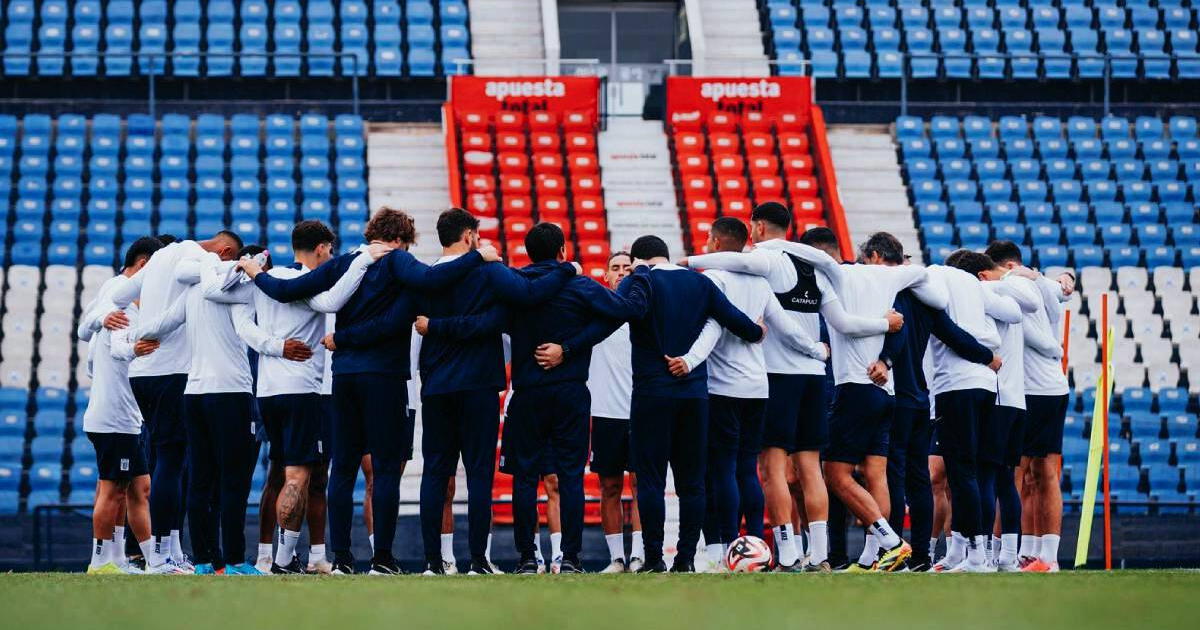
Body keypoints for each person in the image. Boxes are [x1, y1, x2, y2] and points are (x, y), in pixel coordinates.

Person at [244, 208, 499, 575]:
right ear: (400, 239)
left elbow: (287, 290)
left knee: (344, 469)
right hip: (383, 377)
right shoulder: (398, 262)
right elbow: (426, 285)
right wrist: (477, 257)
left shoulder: (345, 262)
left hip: (343, 377)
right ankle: (381, 558)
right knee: (383, 470)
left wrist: (255, 274)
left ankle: (343, 558)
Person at [681, 214, 905, 572]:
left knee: (771, 469)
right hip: (815, 378)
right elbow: (842, 323)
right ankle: (819, 556)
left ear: (757, 227)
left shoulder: (769, 259)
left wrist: (690, 261)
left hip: (779, 376)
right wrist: (872, 329)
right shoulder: (819, 272)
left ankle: (786, 553)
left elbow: (734, 259)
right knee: (809, 468)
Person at [424, 222, 646, 574]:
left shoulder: (513, 286)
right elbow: (623, 313)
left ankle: (527, 557)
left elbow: (490, 322)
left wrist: (436, 326)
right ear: (562, 252)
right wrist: (571, 347)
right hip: (571, 391)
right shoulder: (580, 285)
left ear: (528, 253)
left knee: (524, 478)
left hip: (526, 394)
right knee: (571, 475)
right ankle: (571, 558)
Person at [371, 209, 574, 575]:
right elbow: (516, 304)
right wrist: (567, 268)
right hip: (479, 384)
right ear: (469, 236)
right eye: (477, 235)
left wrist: (438, 327)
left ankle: (434, 561)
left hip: (435, 386)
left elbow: (415, 323)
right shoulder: (489, 270)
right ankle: (478, 560)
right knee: (479, 475)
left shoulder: (423, 276)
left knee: (436, 472)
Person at [567, 234, 764, 572]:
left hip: (651, 395)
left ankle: (654, 557)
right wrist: (755, 331)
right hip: (693, 396)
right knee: (691, 482)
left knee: (652, 480)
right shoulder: (698, 283)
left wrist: (568, 349)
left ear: (640, 261)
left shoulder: (640, 281)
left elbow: (607, 322)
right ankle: (685, 558)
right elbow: (735, 320)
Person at [677, 218, 832, 572]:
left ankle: (733, 546)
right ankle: (759, 546)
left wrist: (689, 360)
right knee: (749, 469)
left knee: (723, 470)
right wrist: (816, 350)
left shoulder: (713, 279)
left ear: (716, 243)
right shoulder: (761, 284)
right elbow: (787, 327)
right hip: (757, 387)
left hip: (722, 386)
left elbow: (712, 329)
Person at [226, 221, 380, 573]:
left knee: (282, 472)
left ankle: (283, 556)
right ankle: (281, 559)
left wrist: (272, 346)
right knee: (298, 477)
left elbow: (242, 321)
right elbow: (333, 302)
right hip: (304, 391)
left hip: (267, 392)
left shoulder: (266, 278)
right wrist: (362, 259)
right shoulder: (307, 284)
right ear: (323, 247)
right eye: (330, 251)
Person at [91, 230, 244, 572]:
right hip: (171, 372)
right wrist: (238, 269)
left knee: (169, 462)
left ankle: (170, 550)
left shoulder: (159, 257)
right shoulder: (198, 257)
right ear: (225, 250)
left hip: (143, 374)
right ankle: (160, 554)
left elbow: (119, 293)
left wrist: (115, 322)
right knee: (173, 463)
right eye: (228, 258)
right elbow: (191, 280)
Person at [867, 237, 997, 572]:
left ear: (877, 258)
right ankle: (922, 555)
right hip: (920, 398)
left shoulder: (881, 294)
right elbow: (955, 335)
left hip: (892, 394)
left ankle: (894, 551)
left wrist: (885, 361)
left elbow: (892, 338)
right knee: (918, 479)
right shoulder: (926, 300)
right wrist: (987, 357)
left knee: (892, 475)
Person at [945, 250, 1048, 571]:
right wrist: (1022, 277)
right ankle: (1005, 556)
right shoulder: (1012, 295)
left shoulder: (983, 294)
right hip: (1016, 399)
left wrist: (1009, 277)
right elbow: (1031, 304)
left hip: (999, 397)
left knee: (985, 477)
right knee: (1005, 480)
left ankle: (985, 554)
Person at [923, 254, 1021, 572]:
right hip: (986, 384)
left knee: (962, 473)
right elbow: (1013, 312)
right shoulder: (974, 285)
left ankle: (976, 555)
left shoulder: (932, 276)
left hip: (957, 384)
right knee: (971, 473)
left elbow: (944, 326)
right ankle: (964, 552)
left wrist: (981, 353)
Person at [984, 241, 1074, 572]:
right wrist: (1067, 276)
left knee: (1036, 472)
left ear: (1005, 267)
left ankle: (1047, 558)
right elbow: (1066, 287)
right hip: (1040, 387)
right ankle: (1030, 551)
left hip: (1038, 389)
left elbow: (1026, 326)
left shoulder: (1014, 285)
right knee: (1031, 474)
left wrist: (1053, 347)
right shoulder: (1042, 282)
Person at [79, 237, 165, 574]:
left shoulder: (114, 294)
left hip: (121, 413)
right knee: (114, 489)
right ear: (144, 265)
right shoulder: (122, 297)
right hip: (114, 415)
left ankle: (119, 558)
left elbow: (87, 340)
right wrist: (136, 350)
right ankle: (102, 561)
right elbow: (112, 346)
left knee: (136, 486)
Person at [585, 251, 644, 573]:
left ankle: (637, 555)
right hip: (605, 411)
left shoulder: (646, 310)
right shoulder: (595, 310)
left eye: (627, 268)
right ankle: (615, 559)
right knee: (609, 486)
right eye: (615, 268)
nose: (621, 272)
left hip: (640, 411)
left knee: (639, 484)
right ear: (606, 275)